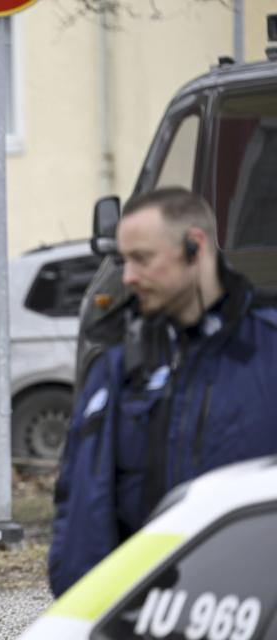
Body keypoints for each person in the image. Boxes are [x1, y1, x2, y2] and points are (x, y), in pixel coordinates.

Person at [49, 187, 277, 596]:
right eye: (124, 260)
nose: (128, 277)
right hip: (144, 612)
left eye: (142, 259)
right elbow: (79, 501)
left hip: (248, 612)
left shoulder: (267, 352)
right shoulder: (117, 367)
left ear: (195, 246)